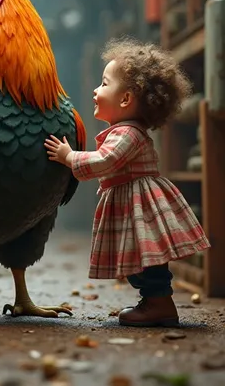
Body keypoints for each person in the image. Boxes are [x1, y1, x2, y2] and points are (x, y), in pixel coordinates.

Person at [44, 37, 210, 328]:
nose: (96, 90)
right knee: (140, 260)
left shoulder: (128, 133)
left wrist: (70, 156)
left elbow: (104, 161)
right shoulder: (126, 130)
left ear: (125, 99)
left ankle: (159, 304)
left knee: (148, 261)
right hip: (132, 201)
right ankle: (154, 302)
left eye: (104, 83)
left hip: (140, 204)